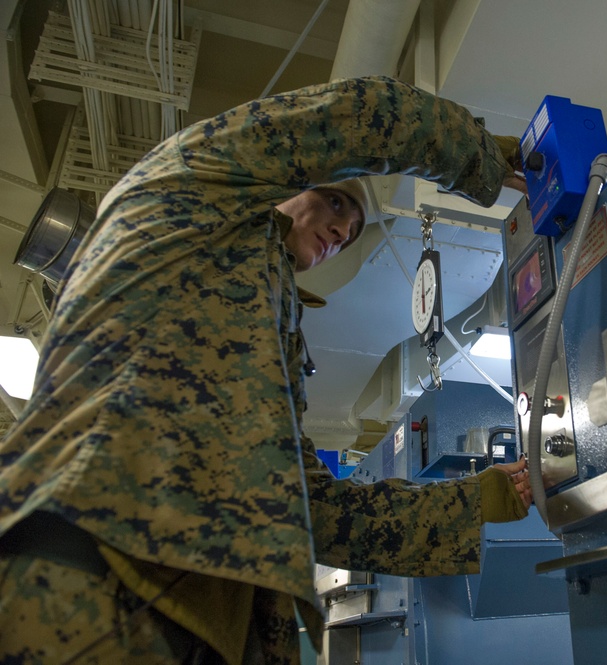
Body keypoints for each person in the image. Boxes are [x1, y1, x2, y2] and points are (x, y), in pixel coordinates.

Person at [0, 76, 531, 664]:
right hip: (93, 575)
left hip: (203, 617)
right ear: (285, 185)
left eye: (354, 230)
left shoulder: (260, 319)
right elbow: (358, 116)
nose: (342, 230)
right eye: (334, 203)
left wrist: (487, 497)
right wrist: (484, 154)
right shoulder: (189, 187)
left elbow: (313, 510)